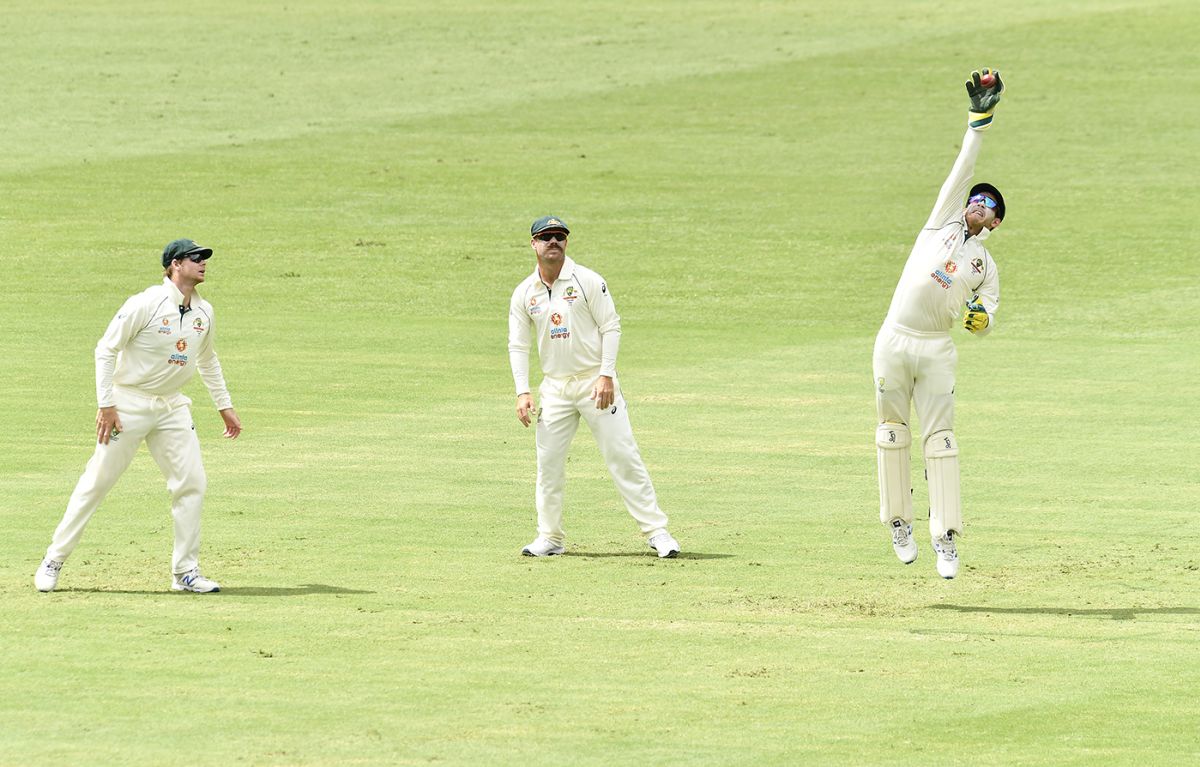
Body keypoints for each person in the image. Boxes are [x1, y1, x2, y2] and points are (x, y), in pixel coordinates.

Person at [34, 238, 242, 593]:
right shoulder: (145, 303)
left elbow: (208, 359)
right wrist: (106, 404)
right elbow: (105, 349)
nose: (203, 263)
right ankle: (54, 559)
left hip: (172, 406)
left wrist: (225, 406)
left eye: (204, 258)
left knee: (192, 483)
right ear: (175, 264)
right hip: (127, 405)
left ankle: (185, 573)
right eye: (196, 258)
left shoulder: (204, 312)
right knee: (97, 482)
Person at [873, 69, 1006, 579]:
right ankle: (898, 523)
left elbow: (988, 316)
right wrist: (979, 120)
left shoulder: (985, 267)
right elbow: (963, 165)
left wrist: (979, 321)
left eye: (990, 205)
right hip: (893, 339)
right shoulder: (941, 220)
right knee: (891, 433)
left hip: (935, 349)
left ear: (994, 224)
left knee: (941, 440)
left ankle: (945, 537)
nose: (980, 203)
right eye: (978, 197)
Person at [508, 216, 680, 558]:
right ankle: (550, 537)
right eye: (546, 237)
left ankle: (658, 533)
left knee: (622, 455)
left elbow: (611, 327)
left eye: (559, 236)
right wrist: (522, 390)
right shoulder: (525, 293)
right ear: (533, 244)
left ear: (566, 243)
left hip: (594, 382)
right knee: (549, 465)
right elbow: (518, 344)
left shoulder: (587, 280)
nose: (553, 242)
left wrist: (606, 375)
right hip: (555, 388)